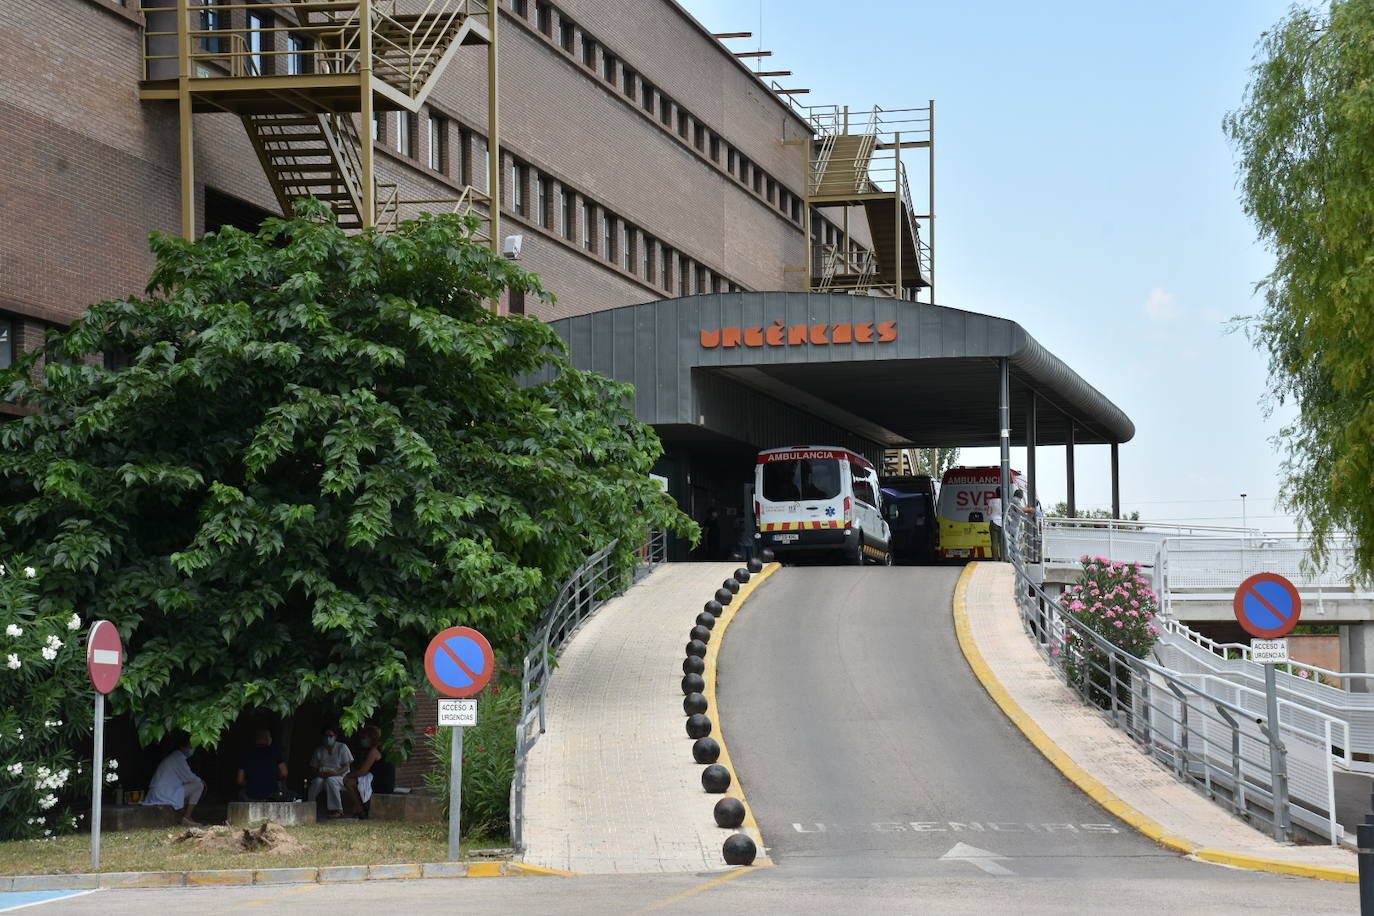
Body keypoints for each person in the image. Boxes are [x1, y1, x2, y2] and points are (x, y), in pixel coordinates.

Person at [142, 736, 205, 826]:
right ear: (182, 747)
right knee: (199, 785)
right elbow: (189, 777)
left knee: (192, 786)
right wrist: (201, 781)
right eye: (190, 747)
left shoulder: (175, 757)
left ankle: (185, 816)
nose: (192, 750)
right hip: (164, 793)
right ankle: (187, 817)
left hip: (161, 791)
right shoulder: (178, 758)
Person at [306, 726, 353, 818]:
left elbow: (347, 766)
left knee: (331, 780)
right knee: (316, 781)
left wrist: (336, 773)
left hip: (341, 778)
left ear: (335, 736)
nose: (328, 738)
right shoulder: (319, 750)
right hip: (323, 777)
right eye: (326, 736)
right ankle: (309, 806)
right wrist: (320, 774)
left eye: (330, 736)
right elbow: (314, 768)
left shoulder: (342, 747)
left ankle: (337, 810)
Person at [236, 728, 287, 802]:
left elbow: (239, 780)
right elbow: (284, 773)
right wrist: (274, 779)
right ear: (267, 738)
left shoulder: (247, 754)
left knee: (241, 793)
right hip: (272, 795)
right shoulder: (275, 752)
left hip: (252, 795)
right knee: (280, 786)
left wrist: (252, 783)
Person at [342, 725, 382, 819]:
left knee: (348, 782)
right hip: (373, 779)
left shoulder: (374, 752)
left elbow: (362, 771)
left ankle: (361, 811)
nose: (362, 740)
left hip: (380, 783)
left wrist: (348, 775)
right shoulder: (373, 751)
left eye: (364, 738)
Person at [987, 492, 1004, 561]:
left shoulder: (991, 501)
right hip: (1002, 523)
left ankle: (995, 559)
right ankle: (1003, 558)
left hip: (994, 522)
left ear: (996, 493)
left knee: (994, 542)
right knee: (1002, 542)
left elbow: (989, 513)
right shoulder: (1005, 501)